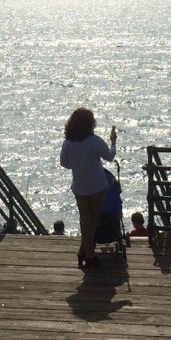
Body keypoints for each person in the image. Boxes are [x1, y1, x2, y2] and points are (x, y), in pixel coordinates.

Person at [59, 107, 117, 270]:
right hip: (97, 185)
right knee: (93, 220)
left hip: (79, 186)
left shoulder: (68, 143)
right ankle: (89, 255)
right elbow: (110, 156)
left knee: (85, 219)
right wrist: (113, 142)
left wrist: (77, 164)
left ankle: (83, 250)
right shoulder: (95, 141)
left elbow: (64, 163)